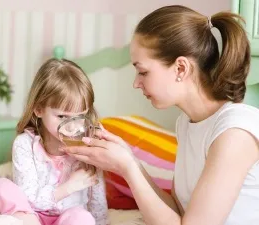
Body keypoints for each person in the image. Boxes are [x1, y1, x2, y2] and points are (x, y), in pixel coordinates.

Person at [63, 5, 259, 225]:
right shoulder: (186, 123)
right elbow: (176, 209)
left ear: (181, 68)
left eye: (143, 71)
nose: (136, 83)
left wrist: (127, 169)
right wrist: (132, 162)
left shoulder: (234, 132)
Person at [0, 58, 108, 225]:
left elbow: (97, 198)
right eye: (62, 117)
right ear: (39, 109)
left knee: (83, 218)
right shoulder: (25, 145)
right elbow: (28, 198)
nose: (72, 127)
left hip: (68, 217)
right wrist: (69, 186)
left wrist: (101, 222)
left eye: (79, 117)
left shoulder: (88, 147)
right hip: (31, 214)